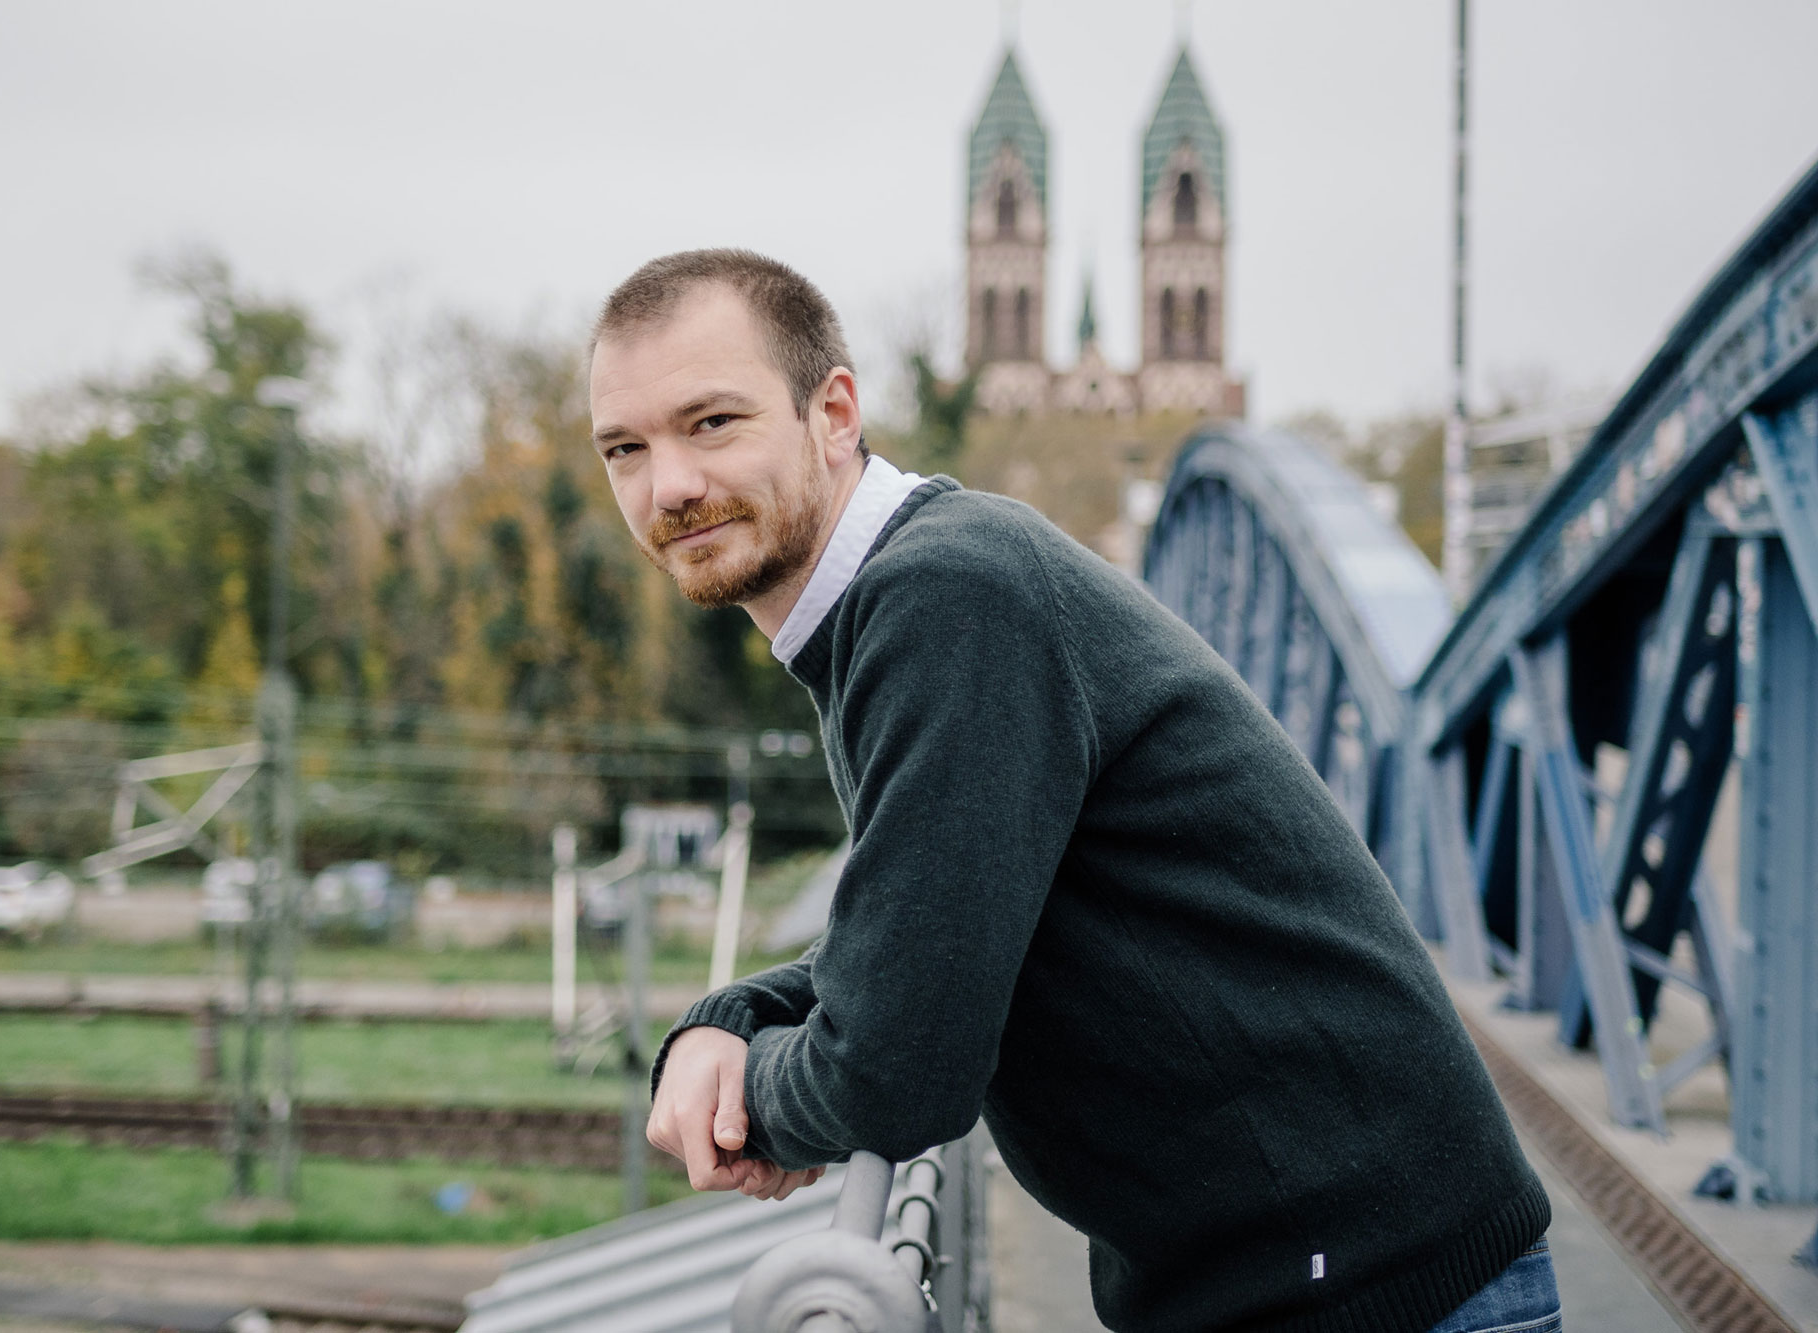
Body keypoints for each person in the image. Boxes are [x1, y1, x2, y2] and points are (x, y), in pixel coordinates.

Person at [587, 248, 1560, 1333]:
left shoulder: (945, 596)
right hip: (1314, 1277)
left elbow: (896, 1070)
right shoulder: (905, 595)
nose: (667, 484)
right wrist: (732, 1019)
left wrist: (748, 1098)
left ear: (834, 412)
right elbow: (931, 930)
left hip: (1369, 1292)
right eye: (625, 448)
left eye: (711, 422)